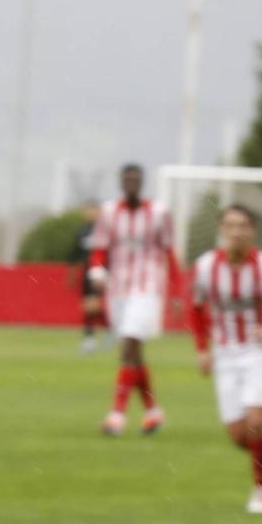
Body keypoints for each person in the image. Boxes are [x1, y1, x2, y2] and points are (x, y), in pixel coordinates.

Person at [190, 204, 262, 515]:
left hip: (260, 352)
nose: (236, 232)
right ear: (221, 230)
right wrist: (202, 349)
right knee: (239, 437)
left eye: (242, 226)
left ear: (252, 231)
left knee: (255, 424)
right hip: (225, 354)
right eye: (230, 225)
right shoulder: (206, 267)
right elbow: (196, 309)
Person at [88, 164, 181, 436]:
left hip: (148, 287)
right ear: (121, 182)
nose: (131, 183)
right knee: (133, 352)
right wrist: (97, 269)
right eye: (127, 179)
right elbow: (98, 249)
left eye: (136, 179)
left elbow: (169, 252)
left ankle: (116, 415)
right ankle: (153, 412)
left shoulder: (159, 213)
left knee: (129, 343)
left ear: (142, 182)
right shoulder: (108, 212)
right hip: (118, 289)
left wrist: (176, 291)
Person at [71, 202, 105, 353]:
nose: (91, 213)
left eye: (94, 210)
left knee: (97, 306)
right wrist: (71, 273)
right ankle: (89, 338)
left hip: (102, 273)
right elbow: (74, 254)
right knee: (87, 307)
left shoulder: (105, 231)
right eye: (89, 211)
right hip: (86, 272)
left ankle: (109, 331)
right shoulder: (82, 232)